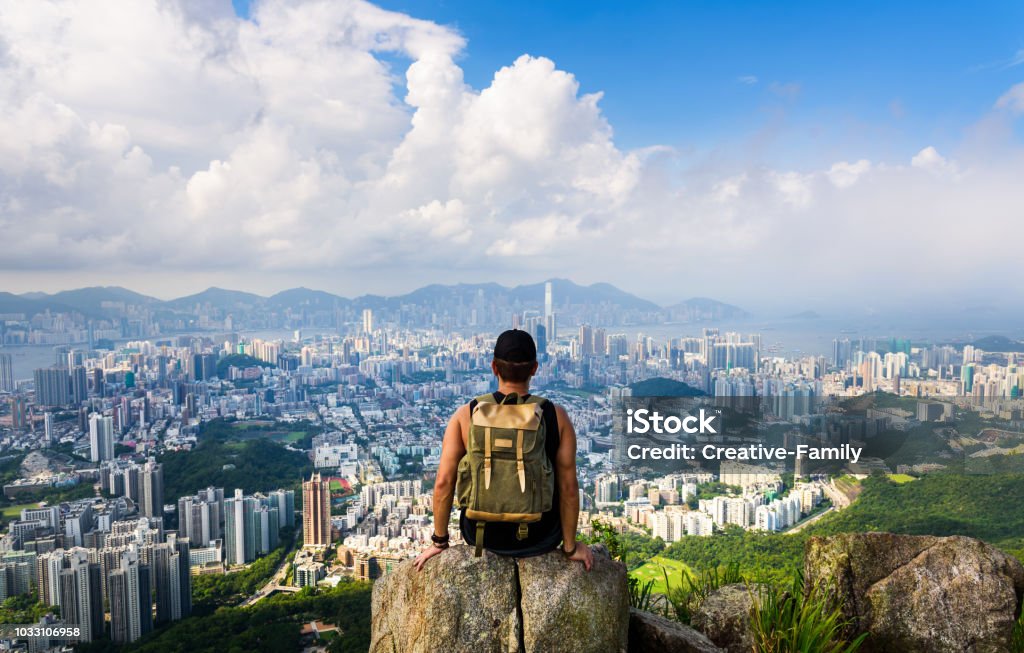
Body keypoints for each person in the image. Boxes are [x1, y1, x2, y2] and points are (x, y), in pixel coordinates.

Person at [414, 329, 593, 571]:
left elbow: (444, 482)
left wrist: (439, 540)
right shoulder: (555, 416)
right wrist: (570, 547)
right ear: (534, 369)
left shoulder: (467, 414)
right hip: (540, 537)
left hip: (482, 535)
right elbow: (569, 488)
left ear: (494, 368)